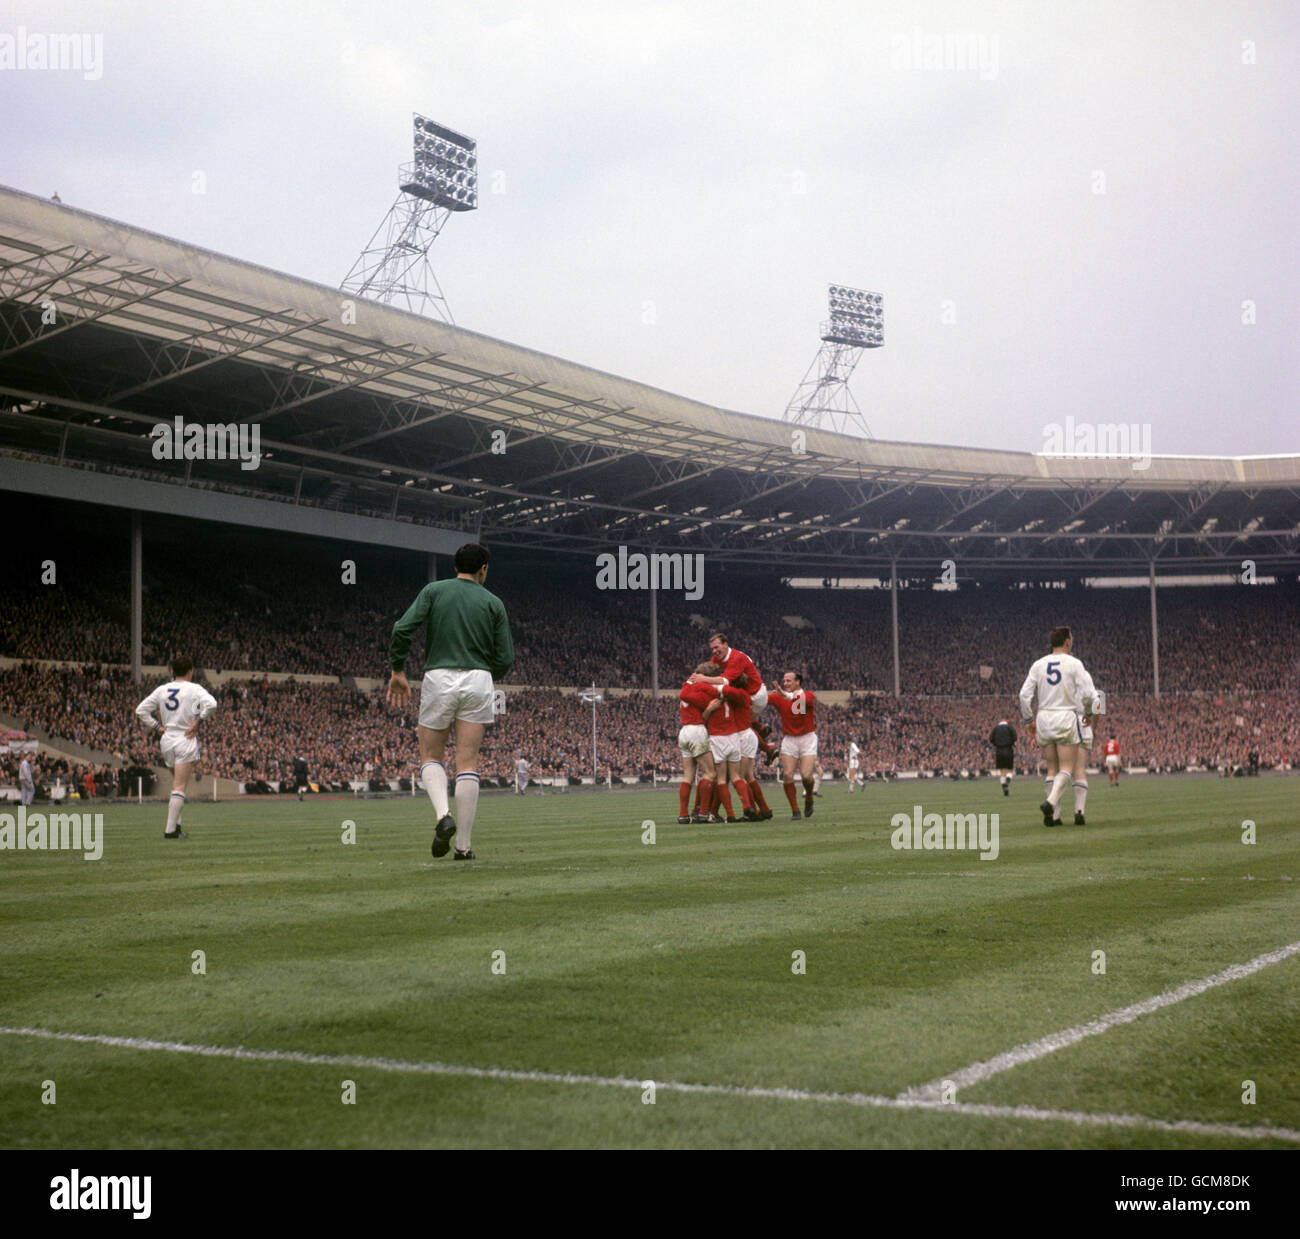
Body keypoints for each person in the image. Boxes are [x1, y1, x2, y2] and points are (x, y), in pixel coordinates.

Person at [387, 543, 514, 862]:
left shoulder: (434, 591)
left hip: (439, 677)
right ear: (483, 568)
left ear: (456, 565)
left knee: (431, 754)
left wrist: (398, 669)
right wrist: (487, 674)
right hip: (478, 679)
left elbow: (402, 628)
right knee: (467, 762)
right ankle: (464, 847)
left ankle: (444, 815)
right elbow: (506, 657)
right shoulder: (493, 602)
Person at [1019, 627, 1097, 827]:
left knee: (1051, 768)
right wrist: (1088, 714)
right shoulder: (1074, 663)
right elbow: (1090, 695)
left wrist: (1029, 721)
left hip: (1044, 716)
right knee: (1068, 768)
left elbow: (1023, 696)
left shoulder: (1038, 664)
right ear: (1067, 642)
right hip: (1065, 716)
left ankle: (1054, 816)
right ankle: (1051, 803)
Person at [135, 656, 218, 839]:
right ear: (190, 671)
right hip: (184, 737)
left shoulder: (162, 689)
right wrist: (199, 721)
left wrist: (157, 727)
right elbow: (212, 704)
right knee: (179, 787)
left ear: (172, 671)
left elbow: (140, 711)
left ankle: (177, 827)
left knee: (176, 786)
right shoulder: (194, 688)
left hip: (167, 739)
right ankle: (170, 830)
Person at [770, 671, 818, 819]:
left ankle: (809, 796)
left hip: (807, 739)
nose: (785, 683)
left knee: (805, 776)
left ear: (798, 682)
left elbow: (800, 701)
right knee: (787, 775)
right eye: (784, 681)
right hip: (789, 739)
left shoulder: (807, 696)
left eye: (789, 681)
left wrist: (785, 695)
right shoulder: (780, 697)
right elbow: (759, 699)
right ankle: (795, 810)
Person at [989, 719, 1017, 796]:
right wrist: (1012, 743)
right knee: (1010, 769)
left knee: (1002, 770)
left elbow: (991, 739)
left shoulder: (995, 728)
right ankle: (1007, 779)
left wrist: (997, 744)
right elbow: (1015, 737)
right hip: (1008, 749)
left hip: (999, 751)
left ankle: (1004, 785)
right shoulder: (1009, 727)